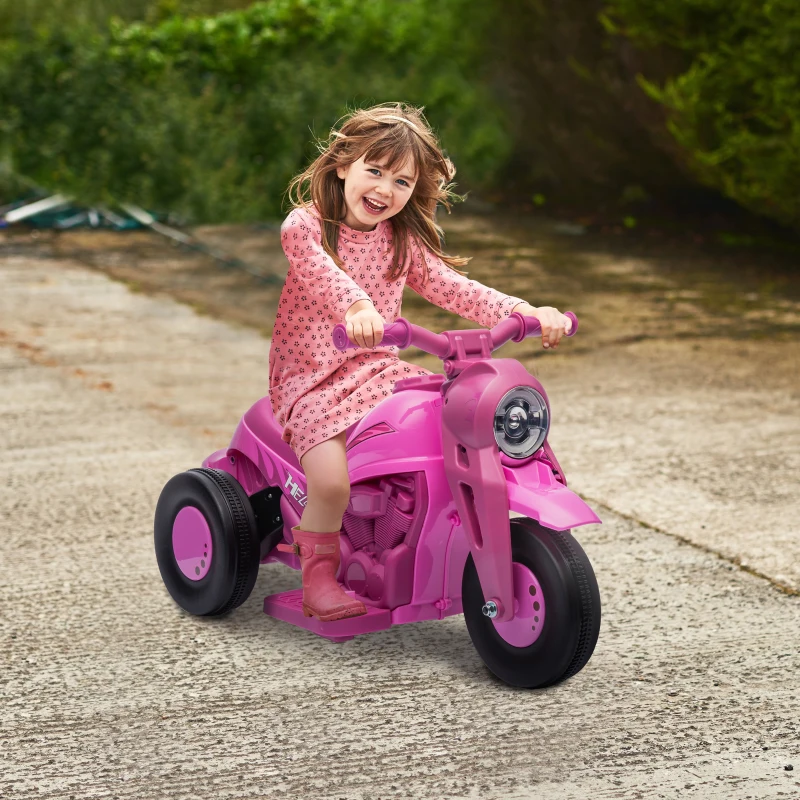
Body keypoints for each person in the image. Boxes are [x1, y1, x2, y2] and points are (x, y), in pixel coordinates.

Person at [269, 102, 572, 622]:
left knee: (450, 416)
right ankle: (318, 574)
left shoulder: (399, 240)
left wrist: (522, 310)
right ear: (343, 164)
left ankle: (419, 534)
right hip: (312, 377)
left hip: (376, 368)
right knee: (331, 483)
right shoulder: (307, 227)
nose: (385, 189)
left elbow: (451, 287)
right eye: (375, 170)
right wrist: (359, 307)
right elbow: (324, 275)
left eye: (402, 181)